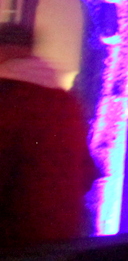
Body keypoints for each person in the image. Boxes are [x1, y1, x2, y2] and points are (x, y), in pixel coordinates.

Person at [0, 23, 95, 248]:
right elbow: (87, 171)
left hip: (15, 237)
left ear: (4, 50)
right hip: (61, 233)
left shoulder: (8, 99)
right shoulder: (66, 102)